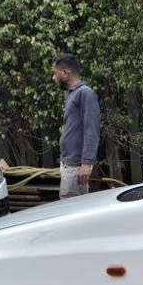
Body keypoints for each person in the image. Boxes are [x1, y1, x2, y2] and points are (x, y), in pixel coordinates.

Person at [51, 53, 101, 198]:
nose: (53, 78)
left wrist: (86, 164)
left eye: (55, 74)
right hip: (69, 165)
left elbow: (91, 129)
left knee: (70, 211)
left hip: (77, 167)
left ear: (65, 73)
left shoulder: (85, 94)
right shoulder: (71, 94)